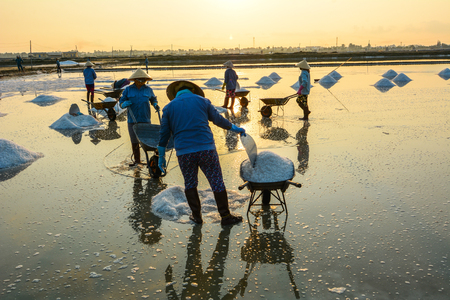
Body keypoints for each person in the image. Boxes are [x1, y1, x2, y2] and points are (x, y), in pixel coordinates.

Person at [157, 80, 245, 226]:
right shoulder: (203, 101)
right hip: (206, 150)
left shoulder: (168, 108)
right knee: (216, 182)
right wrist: (236, 129)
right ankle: (225, 216)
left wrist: (161, 157)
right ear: (193, 91)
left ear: (175, 94)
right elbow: (218, 120)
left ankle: (197, 217)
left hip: (184, 153)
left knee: (190, 184)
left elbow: (164, 134)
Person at [119, 68, 159, 166]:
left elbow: (153, 99)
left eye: (143, 80)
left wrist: (155, 104)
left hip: (145, 119)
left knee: (150, 141)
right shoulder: (128, 90)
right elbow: (121, 101)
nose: (142, 82)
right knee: (134, 141)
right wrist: (123, 104)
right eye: (140, 80)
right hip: (132, 119)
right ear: (135, 80)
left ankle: (157, 160)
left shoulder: (148, 90)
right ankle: (137, 161)